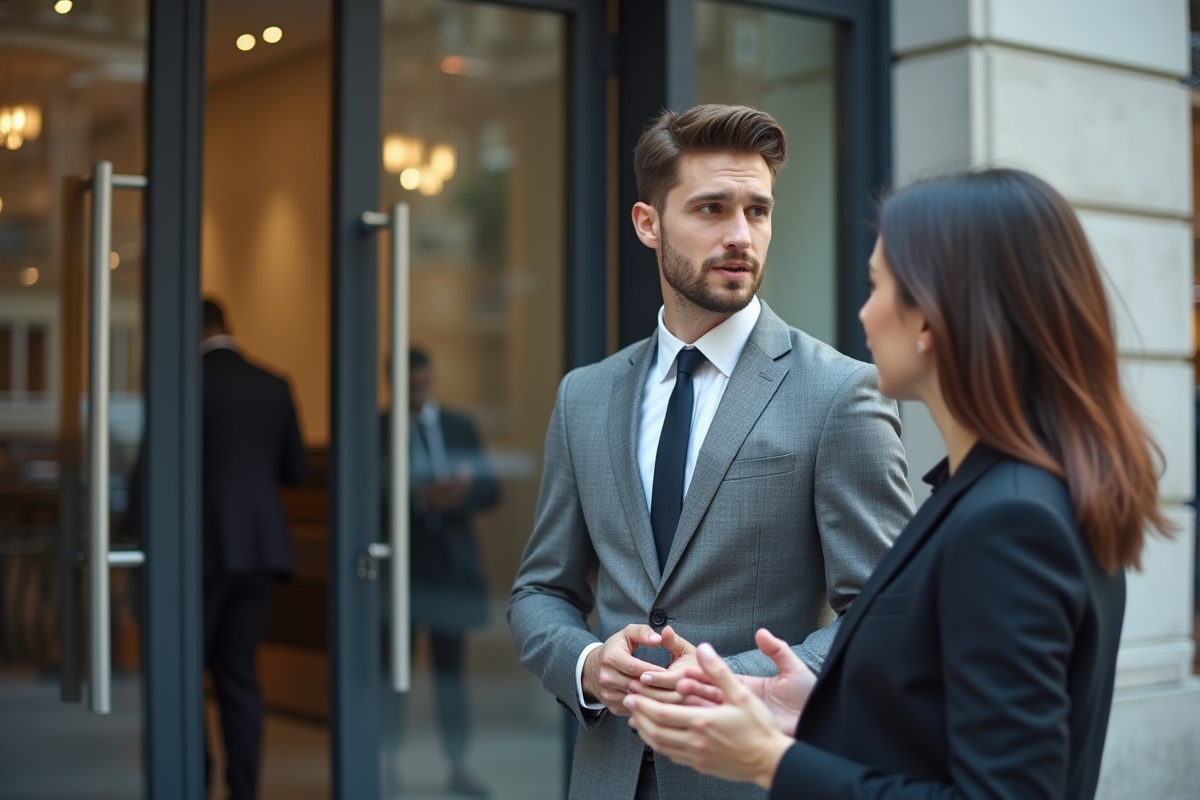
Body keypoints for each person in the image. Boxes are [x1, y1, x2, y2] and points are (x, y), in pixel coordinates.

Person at [624, 168, 1175, 800]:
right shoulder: (991, 493)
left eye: (878, 284)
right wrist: (816, 710)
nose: (864, 312)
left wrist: (771, 762)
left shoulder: (1011, 520)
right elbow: (937, 721)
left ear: (930, 319)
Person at [507, 104, 914, 800]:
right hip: (606, 779)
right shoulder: (585, 396)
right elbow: (541, 591)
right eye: (711, 209)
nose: (740, 236)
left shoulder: (841, 394)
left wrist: (729, 682)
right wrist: (588, 664)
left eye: (758, 211)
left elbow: (887, 612)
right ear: (648, 224)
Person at [380, 348, 498, 798]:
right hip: (401, 571)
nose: (418, 392)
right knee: (395, 672)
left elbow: (491, 490)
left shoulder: (459, 425)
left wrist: (460, 495)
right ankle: (388, 762)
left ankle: (458, 764)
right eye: (409, 386)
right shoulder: (376, 429)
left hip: (451, 569)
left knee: (451, 675)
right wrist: (416, 499)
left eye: (423, 384)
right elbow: (365, 494)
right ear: (392, 384)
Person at [201, 298, 307, 800]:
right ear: (228, 326)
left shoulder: (183, 381)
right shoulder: (274, 382)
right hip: (264, 549)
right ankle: (244, 791)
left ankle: (192, 781)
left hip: (200, 550)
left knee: (184, 672)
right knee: (239, 673)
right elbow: (295, 471)